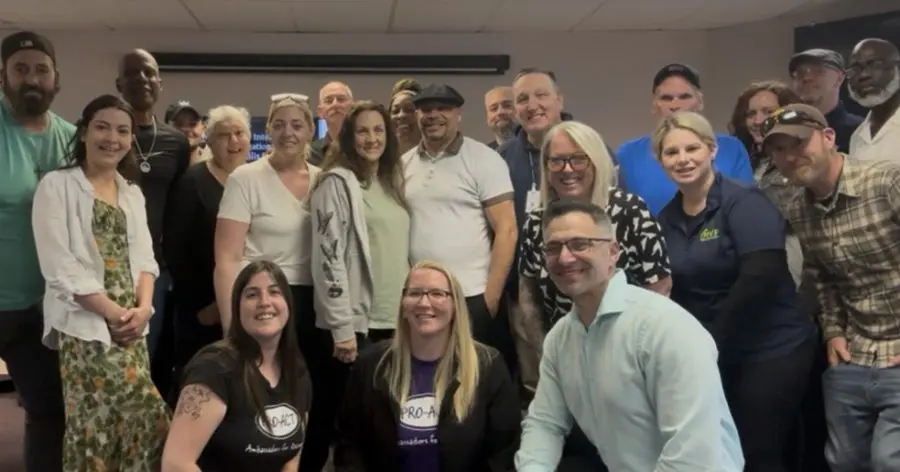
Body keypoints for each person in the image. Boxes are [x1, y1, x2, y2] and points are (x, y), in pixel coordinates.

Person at [515, 199, 743, 472]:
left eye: (580, 244)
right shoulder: (560, 340)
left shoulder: (665, 328)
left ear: (613, 252)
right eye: (553, 248)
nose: (564, 258)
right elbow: (545, 423)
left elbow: (692, 456)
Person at [654, 111, 817, 472]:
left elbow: (762, 274)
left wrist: (712, 340)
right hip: (716, 350)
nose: (683, 159)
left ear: (711, 150)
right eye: (671, 152)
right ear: (661, 161)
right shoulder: (665, 220)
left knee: (757, 450)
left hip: (771, 346)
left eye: (692, 148)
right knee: (720, 449)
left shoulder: (744, 202)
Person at [32, 94, 171, 470]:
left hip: (132, 328)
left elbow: (146, 260)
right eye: (103, 127)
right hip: (87, 327)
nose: (112, 138)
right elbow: (59, 267)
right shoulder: (56, 186)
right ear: (83, 132)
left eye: (122, 131)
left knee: (134, 425)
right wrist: (114, 315)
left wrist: (144, 310)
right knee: (111, 421)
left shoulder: (132, 193)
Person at [762, 103, 900, 472]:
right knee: (843, 461)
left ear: (828, 137)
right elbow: (821, 277)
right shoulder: (800, 209)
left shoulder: (885, 182)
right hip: (854, 351)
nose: (790, 156)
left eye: (799, 143)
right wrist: (834, 331)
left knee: (889, 460)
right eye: (778, 150)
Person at [335, 260, 521, 472]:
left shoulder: (488, 366)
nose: (424, 303)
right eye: (414, 293)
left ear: (455, 305)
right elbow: (350, 448)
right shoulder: (371, 365)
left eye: (437, 294)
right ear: (403, 305)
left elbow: (503, 453)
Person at [307, 100, 411, 465]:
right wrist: (342, 327)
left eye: (378, 130)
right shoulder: (335, 183)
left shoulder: (391, 182)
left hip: (395, 321)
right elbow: (328, 259)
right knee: (343, 427)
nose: (372, 138)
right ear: (349, 137)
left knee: (383, 425)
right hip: (356, 326)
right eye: (363, 131)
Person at [0, 29, 72, 472]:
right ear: (3, 76)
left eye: (41, 70)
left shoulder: (71, 139)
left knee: (49, 413)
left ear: (56, 78)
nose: (31, 79)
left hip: (43, 308)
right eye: (20, 69)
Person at [162, 261, 312, 472]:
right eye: (252, 295)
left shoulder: (296, 371)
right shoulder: (214, 367)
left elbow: (291, 462)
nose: (264, 302)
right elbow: (175, 464)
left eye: (274, 292)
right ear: (237, 308)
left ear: (288, 305)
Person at [165, 105, 251, 381]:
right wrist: (206, 306)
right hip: (203, 311)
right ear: (210, 141)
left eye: (240, 133)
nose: (234, 141)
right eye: (224, 135)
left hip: (249, 306)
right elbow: (175, 251)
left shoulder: (254, 179)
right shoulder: (192, 183)